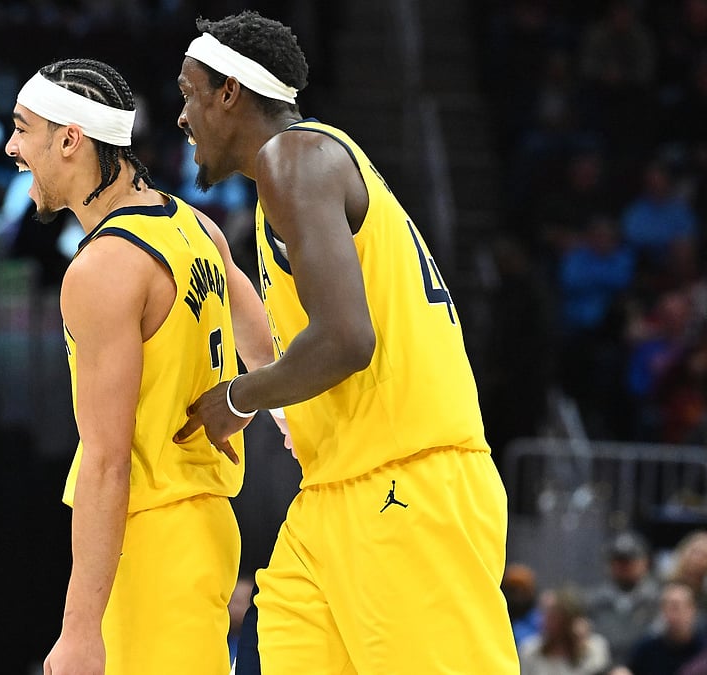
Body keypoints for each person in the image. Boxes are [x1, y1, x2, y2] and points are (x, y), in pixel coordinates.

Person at [172, 10, 517, 673]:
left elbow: (346, 340)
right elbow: (311, 343)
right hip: (331, 496)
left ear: (229, 94)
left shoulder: (295, 158)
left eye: (189, 94)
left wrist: (238, 397)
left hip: (409, 485)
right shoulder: (291, 187)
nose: (182, 118)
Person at [4, 58, 272, 675]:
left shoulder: (103, 269)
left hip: (149, 541)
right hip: (206, 529)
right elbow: (268, 361)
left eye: (22, 128)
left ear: (69, 138)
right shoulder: (194, 225)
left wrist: (78, 632)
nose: (13, 147)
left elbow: (107, 460)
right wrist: (238, 408)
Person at [583, 531, 662, 664]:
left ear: (645, 562)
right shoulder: (591, 602)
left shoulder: (660, 600)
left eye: (630, 561)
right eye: (619, 561)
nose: (624, 567)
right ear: (609, 565)